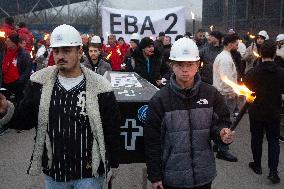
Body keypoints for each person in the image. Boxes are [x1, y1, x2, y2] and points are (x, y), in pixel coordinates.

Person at [0, 24, 120, 189]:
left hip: (89, 174)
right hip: (55, 172)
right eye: (56, 51)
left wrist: (112, 164)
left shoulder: (100, 87)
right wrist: (6, 108)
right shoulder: (39, 82)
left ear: (79, 52)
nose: (60, 56)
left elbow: (111, 128)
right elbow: (26, 120)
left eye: (66, 50)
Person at [145, 37, 235, 189]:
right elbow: (152, 141)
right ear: (171, 65)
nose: (185, 69)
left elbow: (221, 123)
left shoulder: (211, 94)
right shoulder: (159, 100)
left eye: (190, 64)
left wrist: (222, 133)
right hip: (173, 178)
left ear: (198, 65)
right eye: (180, 64)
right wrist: (155, 176)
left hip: (204, 176)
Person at [244, 39, 284, 184]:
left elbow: (246, 87)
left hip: (256, 111)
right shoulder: (281, 72)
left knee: (256, 138)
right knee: (273, 141)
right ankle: (273, 171)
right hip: (274, 111)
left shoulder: (253, 72)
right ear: (275, 54)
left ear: (260, 53)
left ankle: (257, 165)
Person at [213, 34, 240, 162]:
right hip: (223, 94)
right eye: (236, 43)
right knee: (225, 122)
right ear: (230, 44)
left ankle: (219, 144)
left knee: (221, 121)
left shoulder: (224, 56)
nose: (238, 45)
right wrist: (231, 92)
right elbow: (226, 79)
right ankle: (222, 149)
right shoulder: (225, 58)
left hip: (222, 93)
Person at [2, 33, 32, 106]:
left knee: (19, 103)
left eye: (8, 41)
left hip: (18, 83)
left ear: (14, 43)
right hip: (5, 82)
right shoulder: (4, 52)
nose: (6, 42)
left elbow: (28, 69)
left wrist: (20, 80)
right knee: (4, 103)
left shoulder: (24, 54)